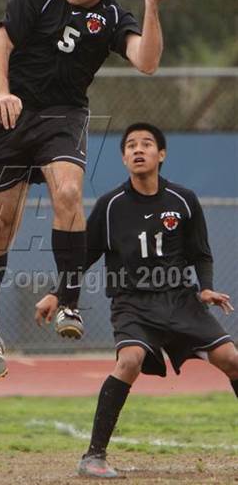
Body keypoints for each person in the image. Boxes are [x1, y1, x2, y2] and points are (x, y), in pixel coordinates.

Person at [0, 0, 175, 383]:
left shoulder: (111, 17)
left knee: (68, 190)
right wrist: (0, 91)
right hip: (13, 112)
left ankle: (69, 299)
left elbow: (146, 62)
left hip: (63, 117)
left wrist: (151, 5)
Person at [35, 122, 238, 479]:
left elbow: (201, 254)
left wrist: (204, 287)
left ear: (162, 155)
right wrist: (58, 292)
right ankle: (93, 457)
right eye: (130, 145)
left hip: (182, 301)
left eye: (146, 144)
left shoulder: (184, 200)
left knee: (232, 359)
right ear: (124, 157)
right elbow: (84, 256)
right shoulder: (110, 205)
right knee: (129, 360)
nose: (138, 149)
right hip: (133, 304)